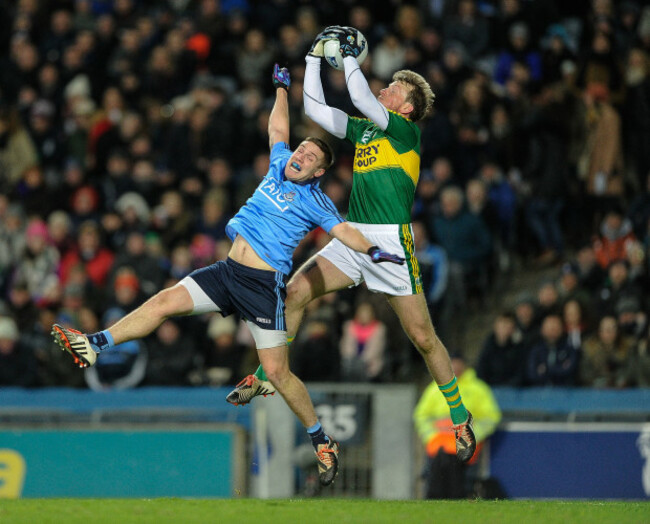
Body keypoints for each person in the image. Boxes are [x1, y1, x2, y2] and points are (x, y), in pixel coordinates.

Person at [51, 64, 405, 487]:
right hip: (226, 272)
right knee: (164, 301)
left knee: (277, 374)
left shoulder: (317, 202)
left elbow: (345, 230)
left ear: (318, 173)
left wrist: (374, 250)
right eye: (301, 150)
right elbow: (277, 130)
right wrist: (279, 90)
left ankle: (321, 439)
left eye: (310, 157)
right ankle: (94, 344)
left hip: (261, 289)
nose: (300, 156)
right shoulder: (278, 163)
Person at [227, 26, 477, 464]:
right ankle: (269, 373)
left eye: (394, 87)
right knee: (295, 293)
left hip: (389, 242)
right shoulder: (365, 131)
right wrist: (313, 58)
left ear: (407, 106)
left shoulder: (404, 134)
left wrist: (346, 58)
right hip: (352, 233)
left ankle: (459, 417)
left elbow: (360, 97)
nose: (384, 88)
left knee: (421, 336)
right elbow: (316, 108)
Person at [413, 354, 501, 499]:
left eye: (458, 364)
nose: (455, 367)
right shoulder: (435, 389)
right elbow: (421, 416)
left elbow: (490, 417)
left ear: (464, 366)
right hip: (438, 443)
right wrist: (430, 436)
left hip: (466, 443)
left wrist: (473, 436)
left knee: (459, 473)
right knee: (437, 471)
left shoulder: (478, 389)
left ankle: (458, 497)